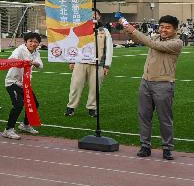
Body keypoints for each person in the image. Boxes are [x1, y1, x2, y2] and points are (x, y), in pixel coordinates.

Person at [120, 14, 184, 160]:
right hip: (145, 82)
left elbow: (154, 45)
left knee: (164, 118)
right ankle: (145, 146)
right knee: (144, 116)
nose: (163, 30)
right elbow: (138, 40)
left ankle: (167, 148)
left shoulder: (177, 43)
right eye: (161, 27)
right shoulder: (155, 38)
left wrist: (134, 30)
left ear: (175, 30)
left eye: (168, 27)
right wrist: (128, 30)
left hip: (164, 84)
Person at [66, 10, 114, 117]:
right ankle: (71, 107)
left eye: (95, 14)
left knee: (95, 88)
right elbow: (72, 45)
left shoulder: (104, 31)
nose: (93, 16)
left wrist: (107, 65)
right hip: (80, 62)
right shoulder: (79, 28)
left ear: (99, 16)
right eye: (90, 14)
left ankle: (92, 108)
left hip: (97, 64)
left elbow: (109, 48)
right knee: (75, 85)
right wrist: (71, 60)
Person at [3, 32, 44, 139]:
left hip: (24, 84)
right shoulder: (19, 49)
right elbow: (11, 60)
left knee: (34, 104)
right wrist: (23, 62)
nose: (33, 44)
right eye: (30, 41)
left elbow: (40, 65)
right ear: (25, 42)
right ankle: (8, 130)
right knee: (18, 105)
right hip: (12, 82)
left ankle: (25, 125)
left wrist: (34, 63)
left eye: (36, 42)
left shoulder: (36, 53)